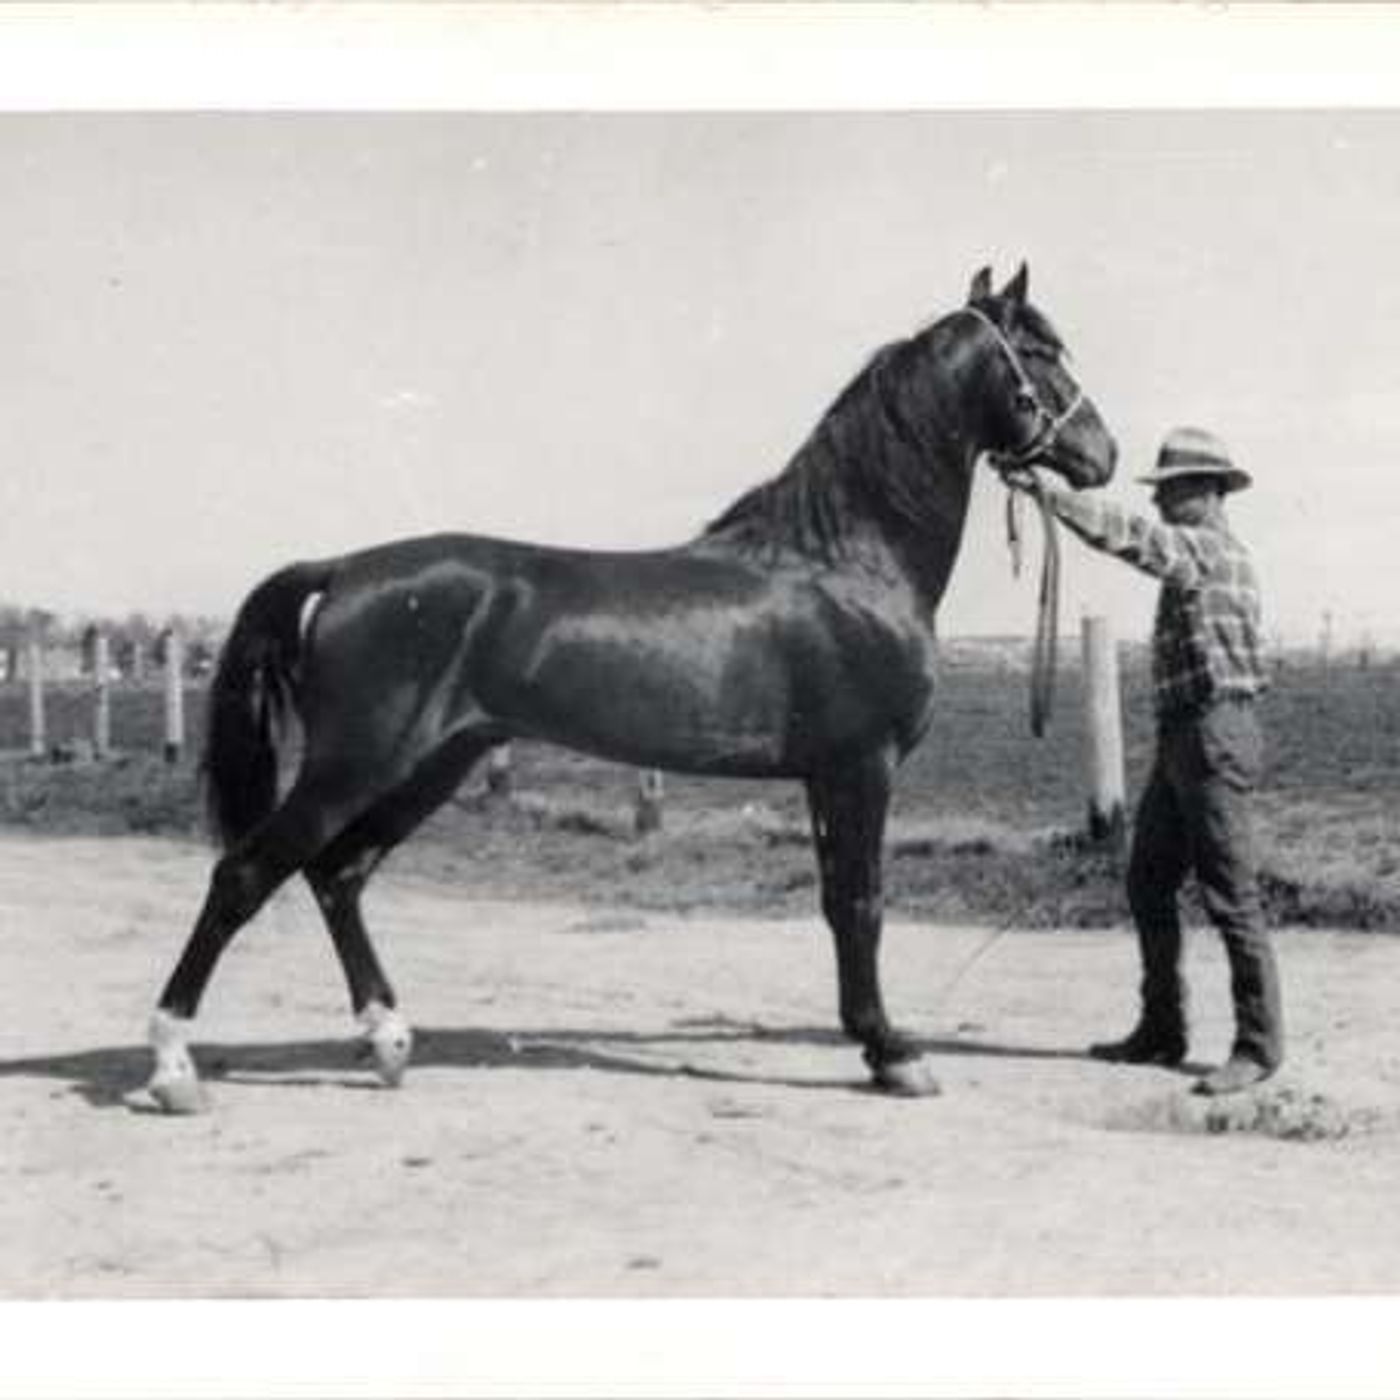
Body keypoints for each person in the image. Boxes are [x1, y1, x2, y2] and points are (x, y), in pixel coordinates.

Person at [1006, 425, 1282, 1096]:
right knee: (1149, 881)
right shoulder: (1212, 552)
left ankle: (1258, 1046)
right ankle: (1162, 1030)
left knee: (1231, 896)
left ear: (1207, 490)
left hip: (1213, 734)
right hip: (1190, 736)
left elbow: (1132, 536)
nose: (1159, 502)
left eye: (1171, 490)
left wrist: (1050, 497)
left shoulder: (1207, 551)